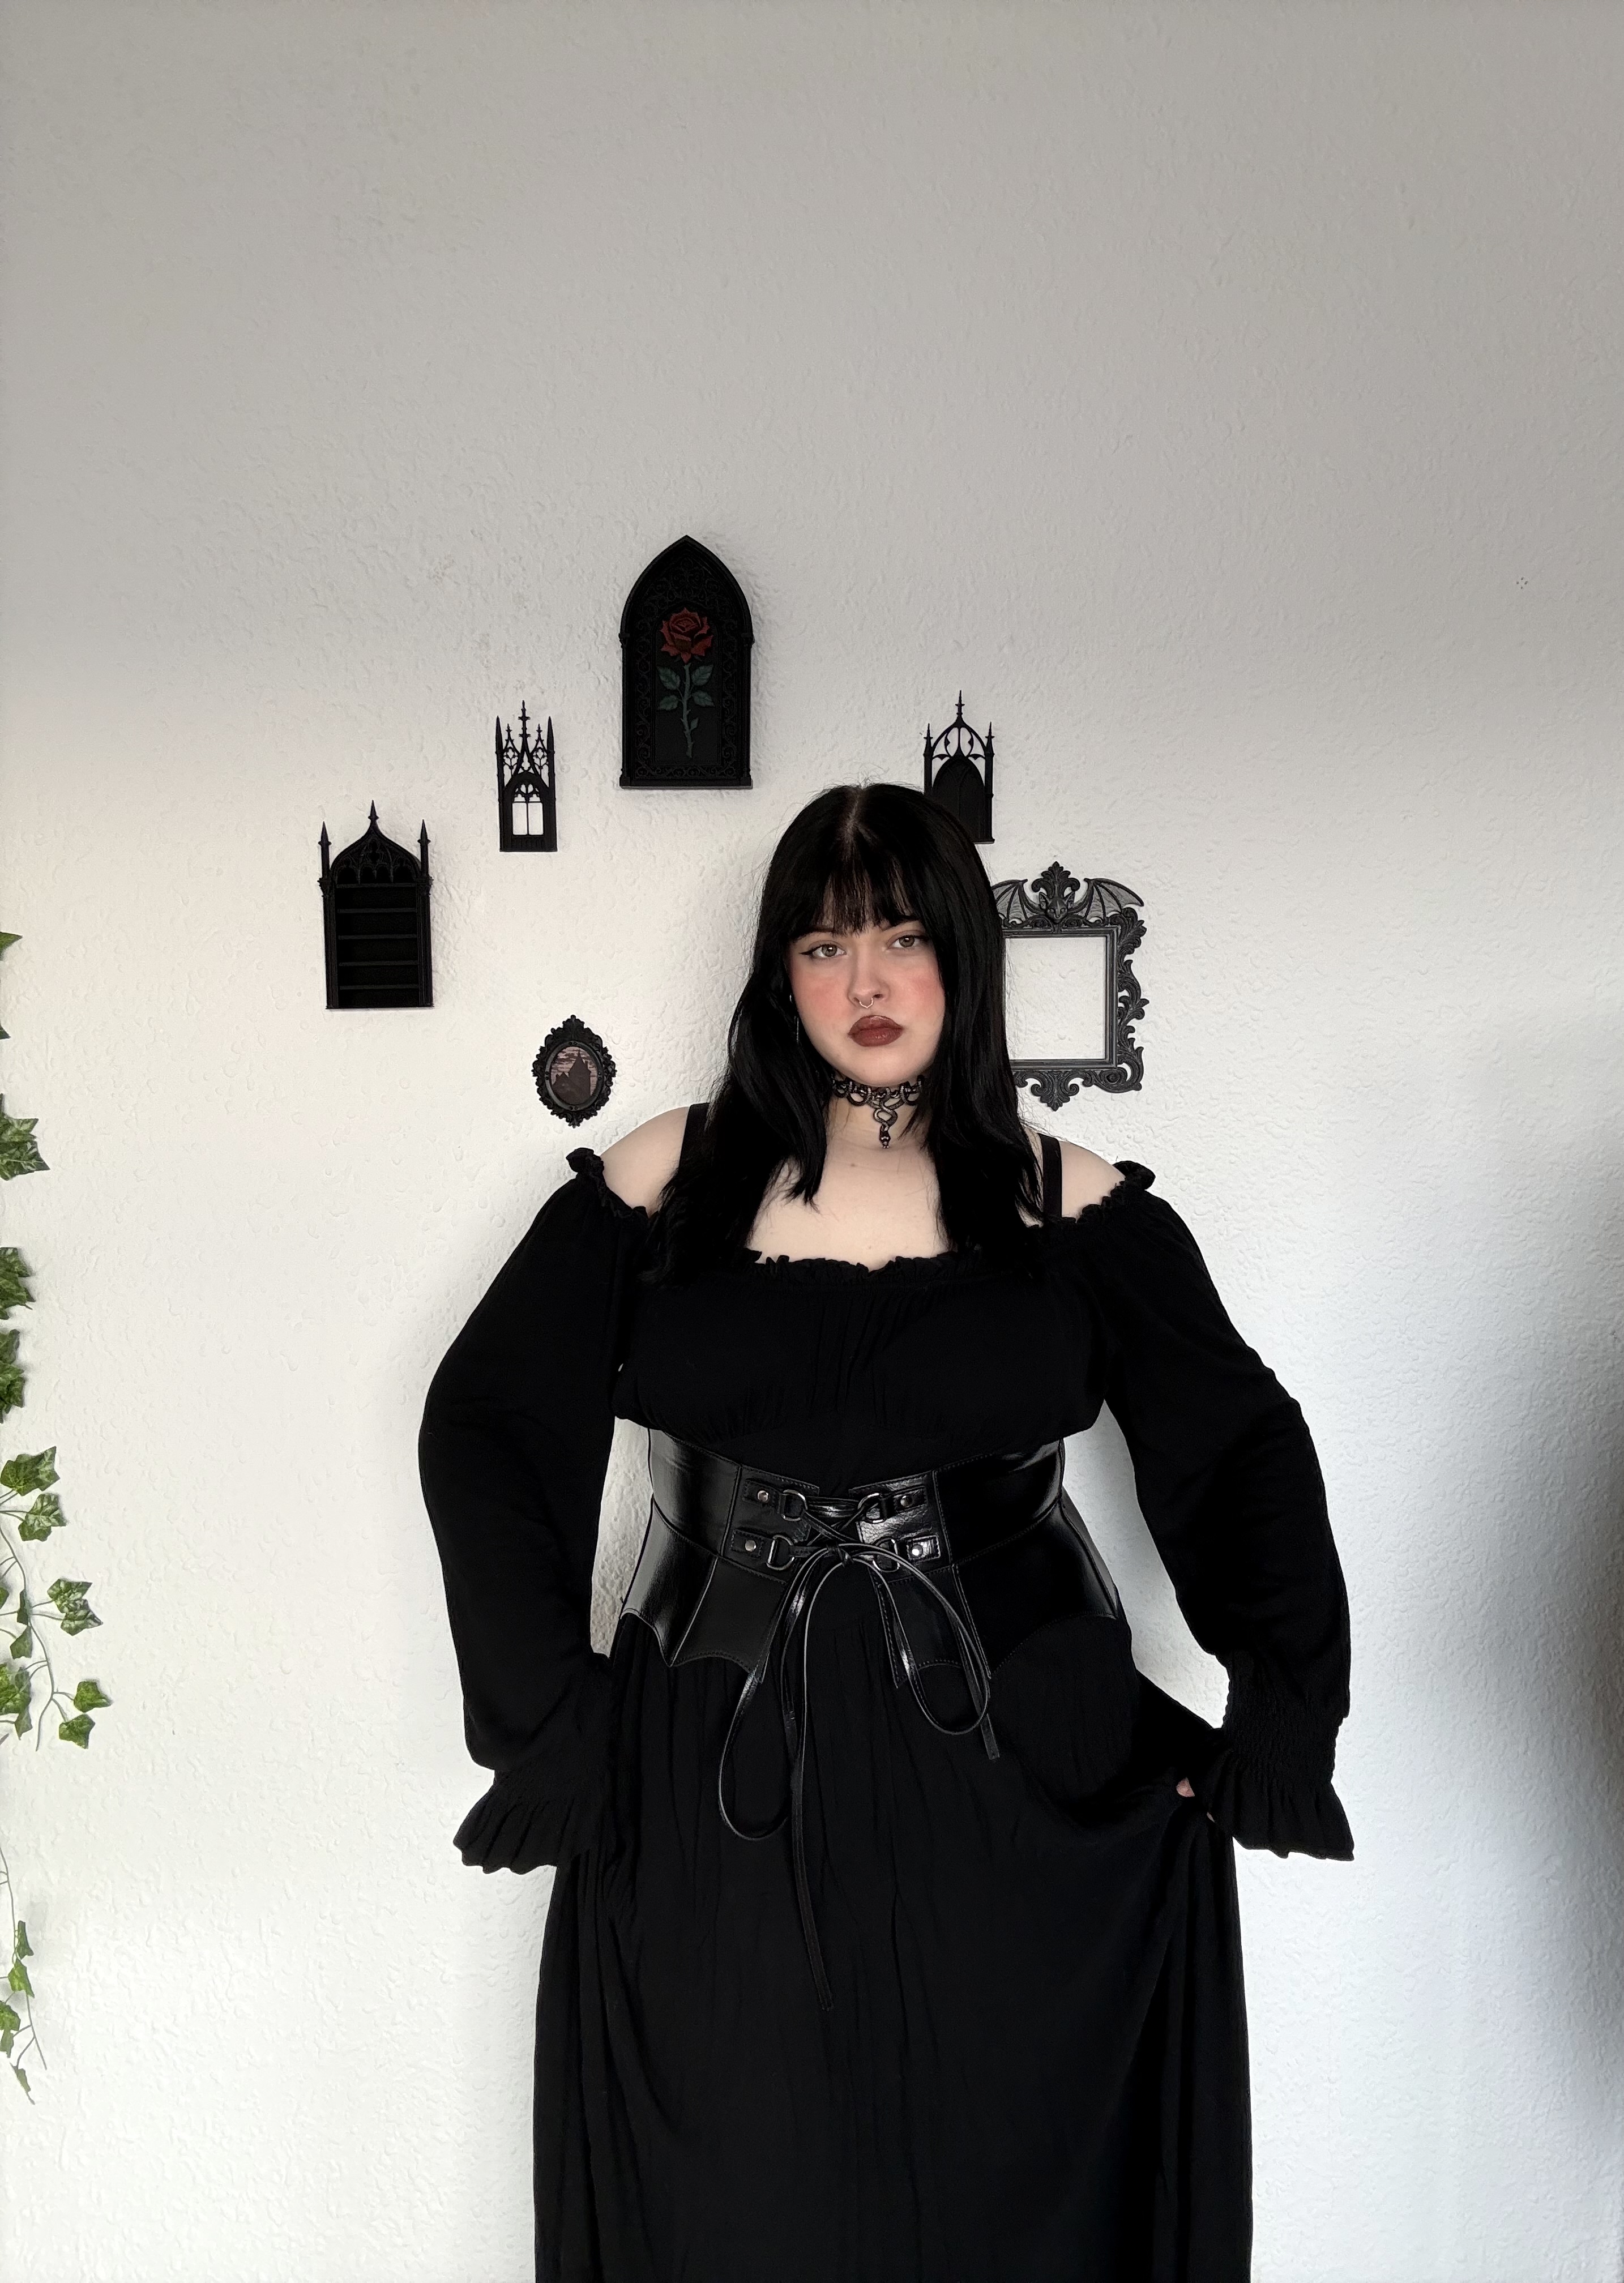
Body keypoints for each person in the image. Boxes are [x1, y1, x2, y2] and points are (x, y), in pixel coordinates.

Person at [418, 781, 1354, 2283]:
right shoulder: (666, 1178)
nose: (867, 980)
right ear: (778, 973)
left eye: (904, 938)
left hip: (1018, 1780)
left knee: (1002, 2189)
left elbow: (1238, 1444)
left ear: (961, 959)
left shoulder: (1065, 1201)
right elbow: (488, 1427)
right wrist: (550, 1722)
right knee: (740, 2189)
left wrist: (1281, 1715)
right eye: (825, 945)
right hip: (715, 1761)